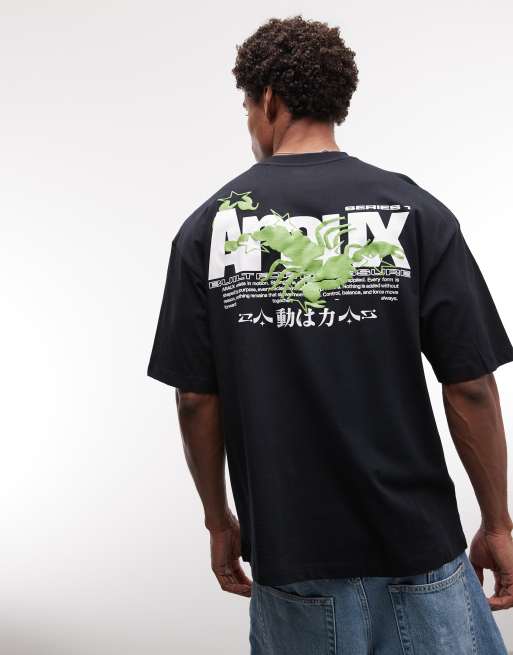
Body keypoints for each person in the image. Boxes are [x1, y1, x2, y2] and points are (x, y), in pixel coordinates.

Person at [148, 15, 513, 654]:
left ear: (268, 100)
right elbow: (471, 387)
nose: (250, 124)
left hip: (294, 557)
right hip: (420, 548)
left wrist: (218, 521)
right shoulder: (416, 212)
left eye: (247, 109)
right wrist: (499, 523)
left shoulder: (209, 227)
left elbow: (195, 400)